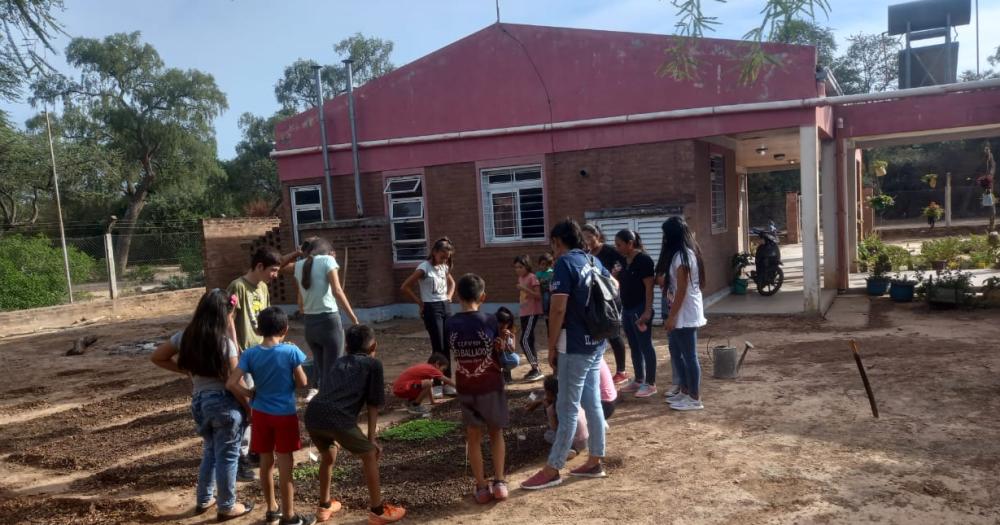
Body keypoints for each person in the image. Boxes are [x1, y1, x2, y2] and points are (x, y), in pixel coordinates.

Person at [150, 289, 254, 522]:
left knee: (210, 451)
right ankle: (227, 506)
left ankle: (204, 498)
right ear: (224, 314)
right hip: (224, 405)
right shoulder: (224, 344)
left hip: (199, 402)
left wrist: (187, 370)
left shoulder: (185, 336)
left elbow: (157, 357)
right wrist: (249, 408)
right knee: (228, 455)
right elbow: (233, 384)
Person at [521, 218, 608, 490]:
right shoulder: (594, 261)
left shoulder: (565, 264)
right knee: (592, 402)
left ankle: (553, 468)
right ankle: (594, 460)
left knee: (566, 407)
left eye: (553, 245)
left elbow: (558, 309)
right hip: (596, 341)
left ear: (557, 242)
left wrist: (551, 345)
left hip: (574, 345)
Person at [303, 325, 407, 524]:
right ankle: (378, 511)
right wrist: (371, 440)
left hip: (313, 414)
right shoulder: (373, 365)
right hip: (338, 418)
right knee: (369, 454)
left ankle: (324, 507)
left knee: (328, 454)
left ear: (347, 347)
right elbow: (373, 405)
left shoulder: (338, 362)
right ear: (374, 346)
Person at [226, 307, 314, 525]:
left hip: (261, 414)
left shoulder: (249, 354)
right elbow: (303, 383)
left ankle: (272, 509)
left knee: (266, 463)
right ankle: (290, 515)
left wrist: (250, 393)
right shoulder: (290, 352)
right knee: (286, 464)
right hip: (284, 414)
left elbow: (230, 382)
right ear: (285, 329)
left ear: (258, 329)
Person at [227, 247, 299, 481]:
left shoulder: (263, 287)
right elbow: (229, 320)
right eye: (273, 270)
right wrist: (235, 350)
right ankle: (240, 457)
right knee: (248, 405)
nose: (275, 275)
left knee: (261, 404)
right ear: (259, 267)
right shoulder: (237, 286)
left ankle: (257, 449)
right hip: (245, 354)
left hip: (263, 353)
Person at [446, 273, 509, 503]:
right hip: (490, 385)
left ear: (458, 296)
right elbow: (497, 347)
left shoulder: (450, 322)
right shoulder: (490, 320)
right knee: (496, 432)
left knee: (473, 436)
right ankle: (500, 482)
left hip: (465, 386)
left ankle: (481, 487)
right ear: (483, 296)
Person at [293, 238, 359, 400]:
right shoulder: (328, 261)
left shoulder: (299, 265)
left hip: (309, 324)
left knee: (320, 365)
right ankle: (332, 403)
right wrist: (354, 319)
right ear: (328, 252)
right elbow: (337, 290)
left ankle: (320, 398)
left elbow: (300, 300)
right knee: (334, 367)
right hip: (329, 321)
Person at [657, 216, 708, 412]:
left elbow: (682, 289)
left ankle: (695, 397)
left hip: (685, 311)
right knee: (681, 353)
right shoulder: (679, 254)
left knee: (689, 356)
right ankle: (685, 392)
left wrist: (672, 316)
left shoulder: (683, 256)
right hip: (680, 309)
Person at [401, 237, 457, 395]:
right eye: (442, 256)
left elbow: (452, 283)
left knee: (447, 345)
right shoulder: (424, 268)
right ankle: (436, 384)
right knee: (437, 346)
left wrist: (449, 296)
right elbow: (405, 287)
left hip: (445, 306)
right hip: (431, 308)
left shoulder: (444, 267)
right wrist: (420, 303)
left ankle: (448, 382)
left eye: (447, 258)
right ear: (434, 252)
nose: (444, 260)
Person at [580, 224, 630, 385]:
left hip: (611, 298)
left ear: (597, 236)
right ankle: (597, 369)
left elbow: (624, 264)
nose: (587, 240)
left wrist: (616, 274)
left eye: (589, 237)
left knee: (613, 332)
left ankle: (621, 371)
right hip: (594, 300)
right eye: (584, 237)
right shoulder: (586, 255)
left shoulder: (609, 251)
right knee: (597, 331)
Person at [613, 230, 658, 398]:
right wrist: (615, 276)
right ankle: (639, 379)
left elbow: (649, 287)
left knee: (645, 345)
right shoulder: (624, 261)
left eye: (619, 245)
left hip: (640, 308)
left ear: (630, 243)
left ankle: (651, 383)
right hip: (627, 309)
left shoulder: (644, 260)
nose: (617, 248)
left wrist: (647, 310)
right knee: (634, 345)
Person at [527, 376, 588, 459]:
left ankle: (568, 449)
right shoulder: (573, 398)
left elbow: (554, 428)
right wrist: (540, 401)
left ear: (549, 393)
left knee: (548, 435)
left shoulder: (552, 408)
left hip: (574, 441)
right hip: (586, 438)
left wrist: (547, 408)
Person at [513, 255, 544, 381]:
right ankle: (534, 368)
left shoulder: (532, 277)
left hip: (532, 312)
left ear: (527, 266)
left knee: (524, 341)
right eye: (516, 267)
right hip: (524, 312)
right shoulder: (521, 278)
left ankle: (536, 368)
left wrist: (524, 288)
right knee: (529, 340)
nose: (518, 269)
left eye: (520, 267)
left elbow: (538, 295)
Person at [495, 306, 517, 385]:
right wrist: (501, 338)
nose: (501, 327)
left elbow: (512, 350)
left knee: (515, 359)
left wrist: (507, 341)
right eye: (499, 324)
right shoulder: (493, 331)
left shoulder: (511, 333)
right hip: (494, 357)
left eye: (504, 325)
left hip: (503, 356)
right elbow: (497, 351)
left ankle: (506, 372)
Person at [535, 253, 555, 317]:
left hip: (550, 290)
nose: (545, 267)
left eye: (547, 265)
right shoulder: (538, 274)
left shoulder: (551, 272)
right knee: (544, 299)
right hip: (542, 291)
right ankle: (543, 312)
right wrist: (539, 281)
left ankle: (548, 312)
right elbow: (535, 282)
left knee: (549, 299)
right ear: (539, 264)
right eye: (542, 264)